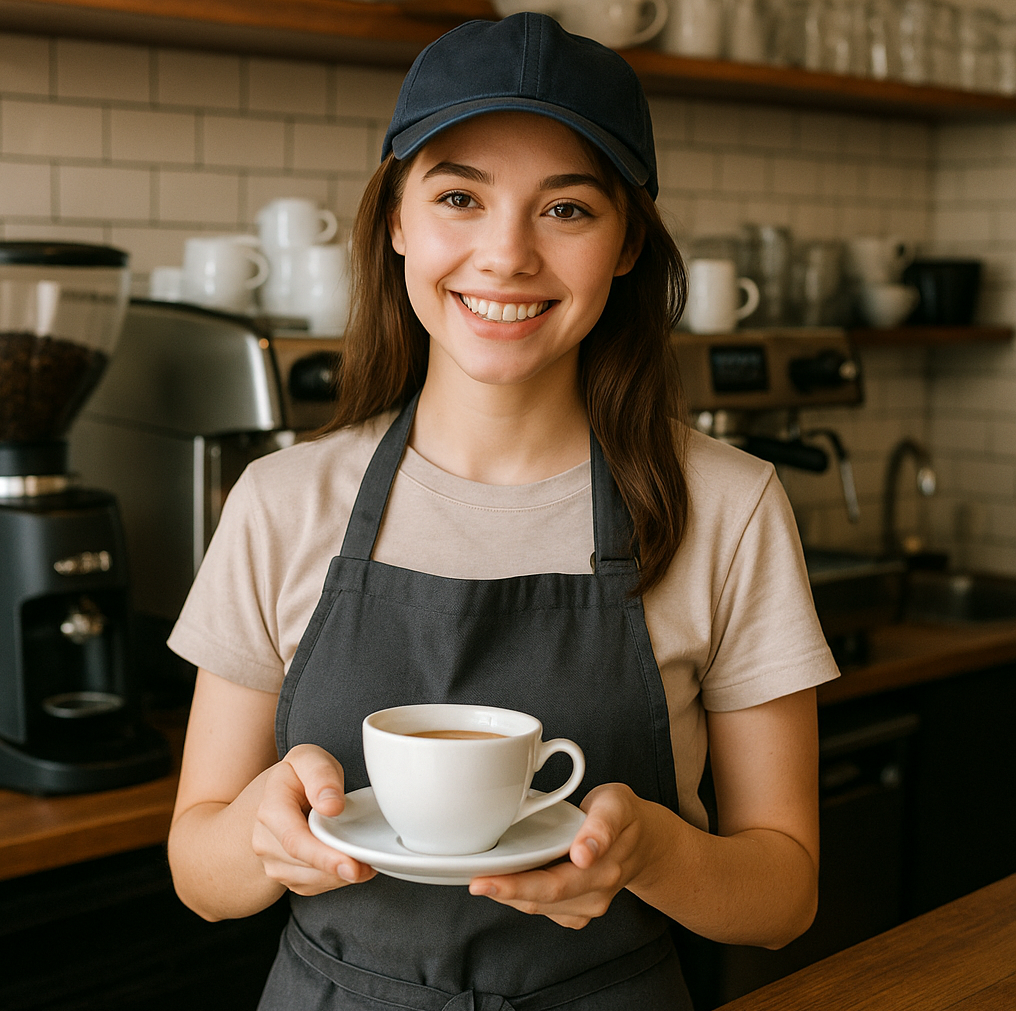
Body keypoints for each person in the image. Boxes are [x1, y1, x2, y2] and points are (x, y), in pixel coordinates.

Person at [166, 12, 840, 1010]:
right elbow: (199, 874)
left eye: (565, 210)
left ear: (623, 247)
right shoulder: (279, 500)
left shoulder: (729, 507)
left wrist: (649, 853)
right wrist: (262, 834)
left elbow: (782, 894)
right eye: (457, 197)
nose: (506, 254)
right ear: (395, 218)